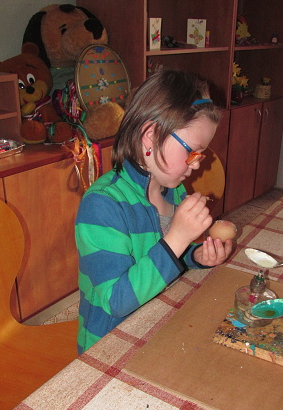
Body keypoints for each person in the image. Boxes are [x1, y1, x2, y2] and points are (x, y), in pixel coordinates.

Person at [75, 69, 233, 353]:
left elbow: (171, 258)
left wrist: (196, 256)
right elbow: (116, 301)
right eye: (192, 152)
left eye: (200, 154)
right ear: (151, 136)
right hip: (112, 345)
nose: (197, 164)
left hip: (159, 324)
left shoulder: (173, 190)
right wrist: (178, 237)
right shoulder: (102, 206)